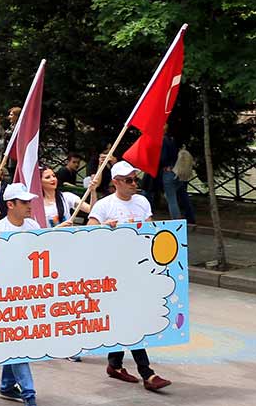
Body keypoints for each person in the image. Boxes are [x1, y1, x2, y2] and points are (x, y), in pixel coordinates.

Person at [87, 161, 172, 392]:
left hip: (138, 269)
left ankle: (114, 364)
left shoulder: (142, 202)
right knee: (132, 320)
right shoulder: (105, 206)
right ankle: (148, 373)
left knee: (126, 319)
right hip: (113, 272)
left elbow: (153, 230)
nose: (135, 184)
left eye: (136, 179)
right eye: (129, 180)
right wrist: (105, 227)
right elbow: (89, 232)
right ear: (115, 182)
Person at [0, 183, 41, 406]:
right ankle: (29, 395)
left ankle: (7, 387)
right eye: (25, 202)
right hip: (5, 298)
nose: (30, 206)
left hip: (28, 295)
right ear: (10, 204)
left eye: (30, 201)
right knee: (19, 345)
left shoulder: (33, 224)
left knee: (16, 342)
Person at [173, 146, 195, 223]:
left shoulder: (181, 154)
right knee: (183, 196)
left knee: (181, 197)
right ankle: (189, 216)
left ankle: (187, 217)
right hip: (184, 176)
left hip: (179, 176)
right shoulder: (186, 154)